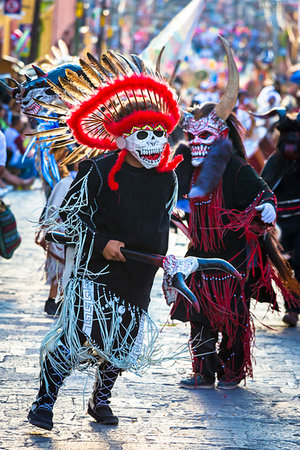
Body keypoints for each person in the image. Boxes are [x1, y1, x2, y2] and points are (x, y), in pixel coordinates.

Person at [27, 50, 182, 430]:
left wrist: (168, 261)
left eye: (159, 133)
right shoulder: (94, 171)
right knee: (74, 337)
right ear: (124, 137)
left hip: (139, 275)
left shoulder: (167, 177)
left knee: (121, 344)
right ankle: (44, 402)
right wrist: (101, 244)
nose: (152, 142)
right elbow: (70, 218)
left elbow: (162, 220)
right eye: (143, 134)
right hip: (95, 273)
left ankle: (101, 398)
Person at [171, 37, 289, 390]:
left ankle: (233, 369)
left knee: (233, 317)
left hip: (234, 251)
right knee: (197, 311)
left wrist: (267, 206)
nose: (197, 142)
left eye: (206, 134)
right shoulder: (186, 166)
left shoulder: (235, 167)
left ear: (221, 134)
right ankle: (203, 371)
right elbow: (169, 194)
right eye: (193, 136)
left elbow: (264, 193)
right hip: (200, 251)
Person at [260, 108, 300, 327]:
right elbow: (262, 186)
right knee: (285, 264)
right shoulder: (276, 160)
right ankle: (292, 308)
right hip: (282, 224)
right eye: (289, 135)